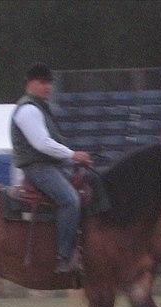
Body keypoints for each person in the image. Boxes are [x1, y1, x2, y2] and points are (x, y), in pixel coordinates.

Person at [11, 63, 94, 274]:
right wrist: (72, 155)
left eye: (49, 83)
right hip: (38, 168)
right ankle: (65, 257)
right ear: (31, 83)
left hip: (50, 166)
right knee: (70, 199)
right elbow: (41, 143)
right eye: (43, 82)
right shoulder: (28, 109)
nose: (48, 87)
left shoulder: (39, 107)